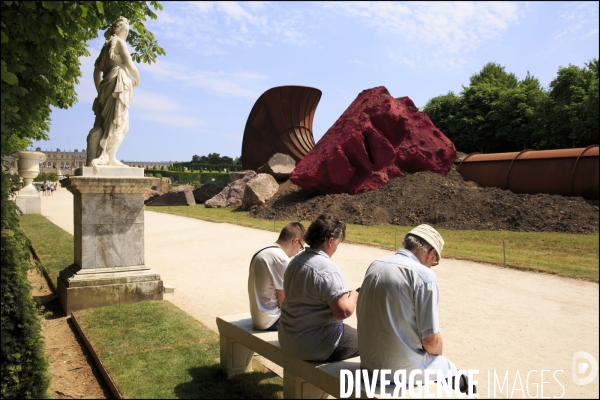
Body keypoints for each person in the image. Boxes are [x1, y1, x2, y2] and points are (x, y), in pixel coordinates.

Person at [357, 224, 476, 394]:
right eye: (434, 262)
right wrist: (438, 348)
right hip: (398, 374)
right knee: (465, 384)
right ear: (431, 253)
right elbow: (430, 342)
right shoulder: (423, 275)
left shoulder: (376, 265)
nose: (431, 265)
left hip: (368, 368)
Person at [278, 214, 359, 362]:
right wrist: (354, 295)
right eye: (338, 243)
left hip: (287, 339)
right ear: (330, 241)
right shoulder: (326, 266)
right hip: (314, 345)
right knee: (369, 340)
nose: (336, 248)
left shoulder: (296, 261)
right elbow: (344, 311)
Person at [86, 16, 140, 169]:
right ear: (121, 30)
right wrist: (137, 77)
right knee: (119, 121)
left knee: (113, 121)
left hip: (107, 84)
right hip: (118, 82)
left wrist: (99, 90)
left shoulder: (105, 47)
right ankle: (109, 157)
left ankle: (108, 156)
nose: (127, 34)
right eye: (127, 31)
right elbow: (129, 63)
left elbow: (96, 71)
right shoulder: (119, 42)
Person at [248, 222, 306, 331]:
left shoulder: (264, 249)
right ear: (295, 241)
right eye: (301, 246)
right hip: (271, 321)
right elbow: (283, 303)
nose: (298, 251)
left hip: (259, 317)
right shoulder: (281, 259)